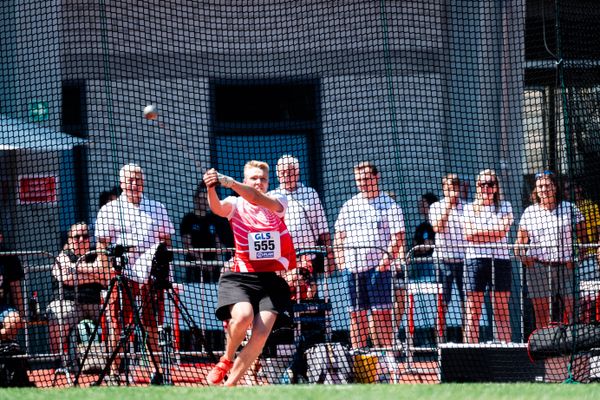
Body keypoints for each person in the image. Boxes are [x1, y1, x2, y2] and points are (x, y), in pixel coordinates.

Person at [203, 160, 296, 386]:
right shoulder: (235, 204)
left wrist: (229, 181)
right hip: (241, 278)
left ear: (268, 182)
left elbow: (255, 198)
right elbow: (217, 208)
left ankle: (230, 384)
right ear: (246, 180)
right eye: (254, 178)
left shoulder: (278, 201)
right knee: (243, 316)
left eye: (263, 179)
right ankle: (226, 357)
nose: (258, 182)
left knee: (261, 333)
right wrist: (211, 187)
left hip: (270, 282)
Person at [95, 163, 175, 384]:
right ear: (122, 183)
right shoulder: (110, 210)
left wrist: (162, 268)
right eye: (130, 180)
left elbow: (166, 239)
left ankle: (157, 371)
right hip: (121, 273)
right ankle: (114, 372)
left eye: (138, 179)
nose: (134, 183)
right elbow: (102, 244)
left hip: (149, 274)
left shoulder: (156, 207)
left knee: (150, 323)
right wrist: (105, 271)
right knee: (117, 324)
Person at [334, 161, 406, 349]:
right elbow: (339, 237)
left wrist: (383, 264)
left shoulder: (389, 205)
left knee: (381, 315)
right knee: (356, 315)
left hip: (378, 270)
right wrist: (342, 263)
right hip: (353, 270)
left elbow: (398, 237)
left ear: (376, 177)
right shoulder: (350, 205)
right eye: (358, 179)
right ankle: (358, 356)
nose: (362, 183)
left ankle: (389, 358)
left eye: (366, 178)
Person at [515, 171, 586, 329]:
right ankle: (544, 351)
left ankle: (573, 348)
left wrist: (576, 259)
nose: (544, 189)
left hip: (566, 268)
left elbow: (585, 240)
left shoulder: (569, 208)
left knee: (573, 310)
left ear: (555, 188)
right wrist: (524, 258)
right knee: (541, 314)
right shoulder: (530, 212)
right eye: (540, 186)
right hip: (539, 268)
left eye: (547, 185)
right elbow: (519, 243)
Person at [270, 154, 334, 301]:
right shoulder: (272, 196)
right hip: (282, 258)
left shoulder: (310, 194)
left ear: (297, 173)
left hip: (308, 257)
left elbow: (323, 227)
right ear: (278, 174)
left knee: (308, 296)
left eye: (290, 171)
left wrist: (330, 257)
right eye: (283, 172)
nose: (286, 175)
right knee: (284, 296)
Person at [46, 222, 110, 367]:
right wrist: (95, 273)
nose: (81, 239)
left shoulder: (97, 254)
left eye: (85, 236)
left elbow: (107, 276)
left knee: (113, 317)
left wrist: (76, 269)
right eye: (77, 237)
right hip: (69, 302)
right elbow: (67, 279)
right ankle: (61, 362)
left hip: (96, 303)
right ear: (69, 240)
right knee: (58, 315)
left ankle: (113, 363)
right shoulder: (63, 256)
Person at [462, 169, 513, 343]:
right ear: (477, 187)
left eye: (490, 184)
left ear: (496, 187)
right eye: (482, 184)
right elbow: (469, 235)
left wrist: (481, 234)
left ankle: (505, 352)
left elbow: (502, 232)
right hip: (475, 261)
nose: (486, 188)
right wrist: (493, 233)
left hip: (500, 261)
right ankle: (471, 355)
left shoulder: (505, 206)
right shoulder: (469, 208)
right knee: (473, 311)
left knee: (501, 310)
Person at [429, 174, 466, 342]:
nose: (451, 191)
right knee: (442, 303)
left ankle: (469, 342)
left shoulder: (468, 207)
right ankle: (440, 343)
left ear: (458, 189)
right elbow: (437, 227)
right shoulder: (436, 207)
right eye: (448, 188)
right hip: (443, 260)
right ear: (444, 189)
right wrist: (449, 207)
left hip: (464, 261)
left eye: (454, 188)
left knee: (469, 303)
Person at [180, 182, 234, 282]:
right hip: (194, 266)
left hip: (212, 266)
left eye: (206, 199)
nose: (204, 202)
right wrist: (201, 262)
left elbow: (218, 241)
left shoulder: (213, 218)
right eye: (201, 199)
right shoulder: (189, 219)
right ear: (196, 200)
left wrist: (217, 261)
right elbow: (187, 244)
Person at [563, 181, 600, 322]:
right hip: (568, 261)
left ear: (579, 188)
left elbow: (598, 232)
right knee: (571, 296)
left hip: (589, 257)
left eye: (572, 187)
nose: (570, 191)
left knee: (590, 295)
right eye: (566, 189)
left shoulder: (591, 207)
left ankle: (591, 324)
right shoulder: (563, 209)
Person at [0, 232, 25, 341]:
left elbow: (16, 288)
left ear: (0, 237)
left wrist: (22, 313)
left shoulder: (8, 256)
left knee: (14, 321)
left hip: (2, 307)